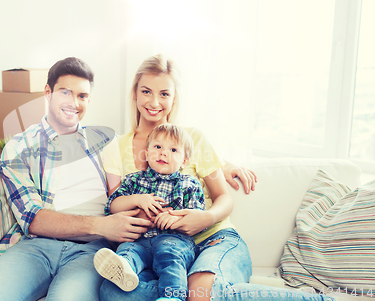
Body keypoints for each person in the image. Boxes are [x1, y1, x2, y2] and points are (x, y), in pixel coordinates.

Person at [99, 54, 335, 301]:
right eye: (146, 91)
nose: (155, 101)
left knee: (200, 293)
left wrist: (204, 218)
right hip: (158, 248)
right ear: (135, 93)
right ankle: (179, 294)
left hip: (214, 238)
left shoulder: (193, 140)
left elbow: (223, 197)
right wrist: (144, 209)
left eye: (164, 94)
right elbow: (116, 210)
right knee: (112, 292)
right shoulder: (116, 148)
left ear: (174, 98)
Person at [0, 57, 153, 301]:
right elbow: (32, 218)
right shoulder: (19, 147)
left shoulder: (106, 141)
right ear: (48, 92)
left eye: (82, 96)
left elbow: (143, 178)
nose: (74, 103)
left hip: (91, 252)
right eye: (65, 93)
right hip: (35, 247)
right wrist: (102, 226)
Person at [94, 124, 205, 301]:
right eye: (157, 147)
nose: (163, 153)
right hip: (140, 240)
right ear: (146, 153)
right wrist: (137, 199)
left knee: (170, 255)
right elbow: (112, 206)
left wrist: (173, 218)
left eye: (173, 149)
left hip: (173, 240)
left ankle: (172, 297)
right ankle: (124, 270)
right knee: (128, 250)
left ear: (184, 160)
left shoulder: (189, 184)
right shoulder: (134, 180)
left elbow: (197, 220)